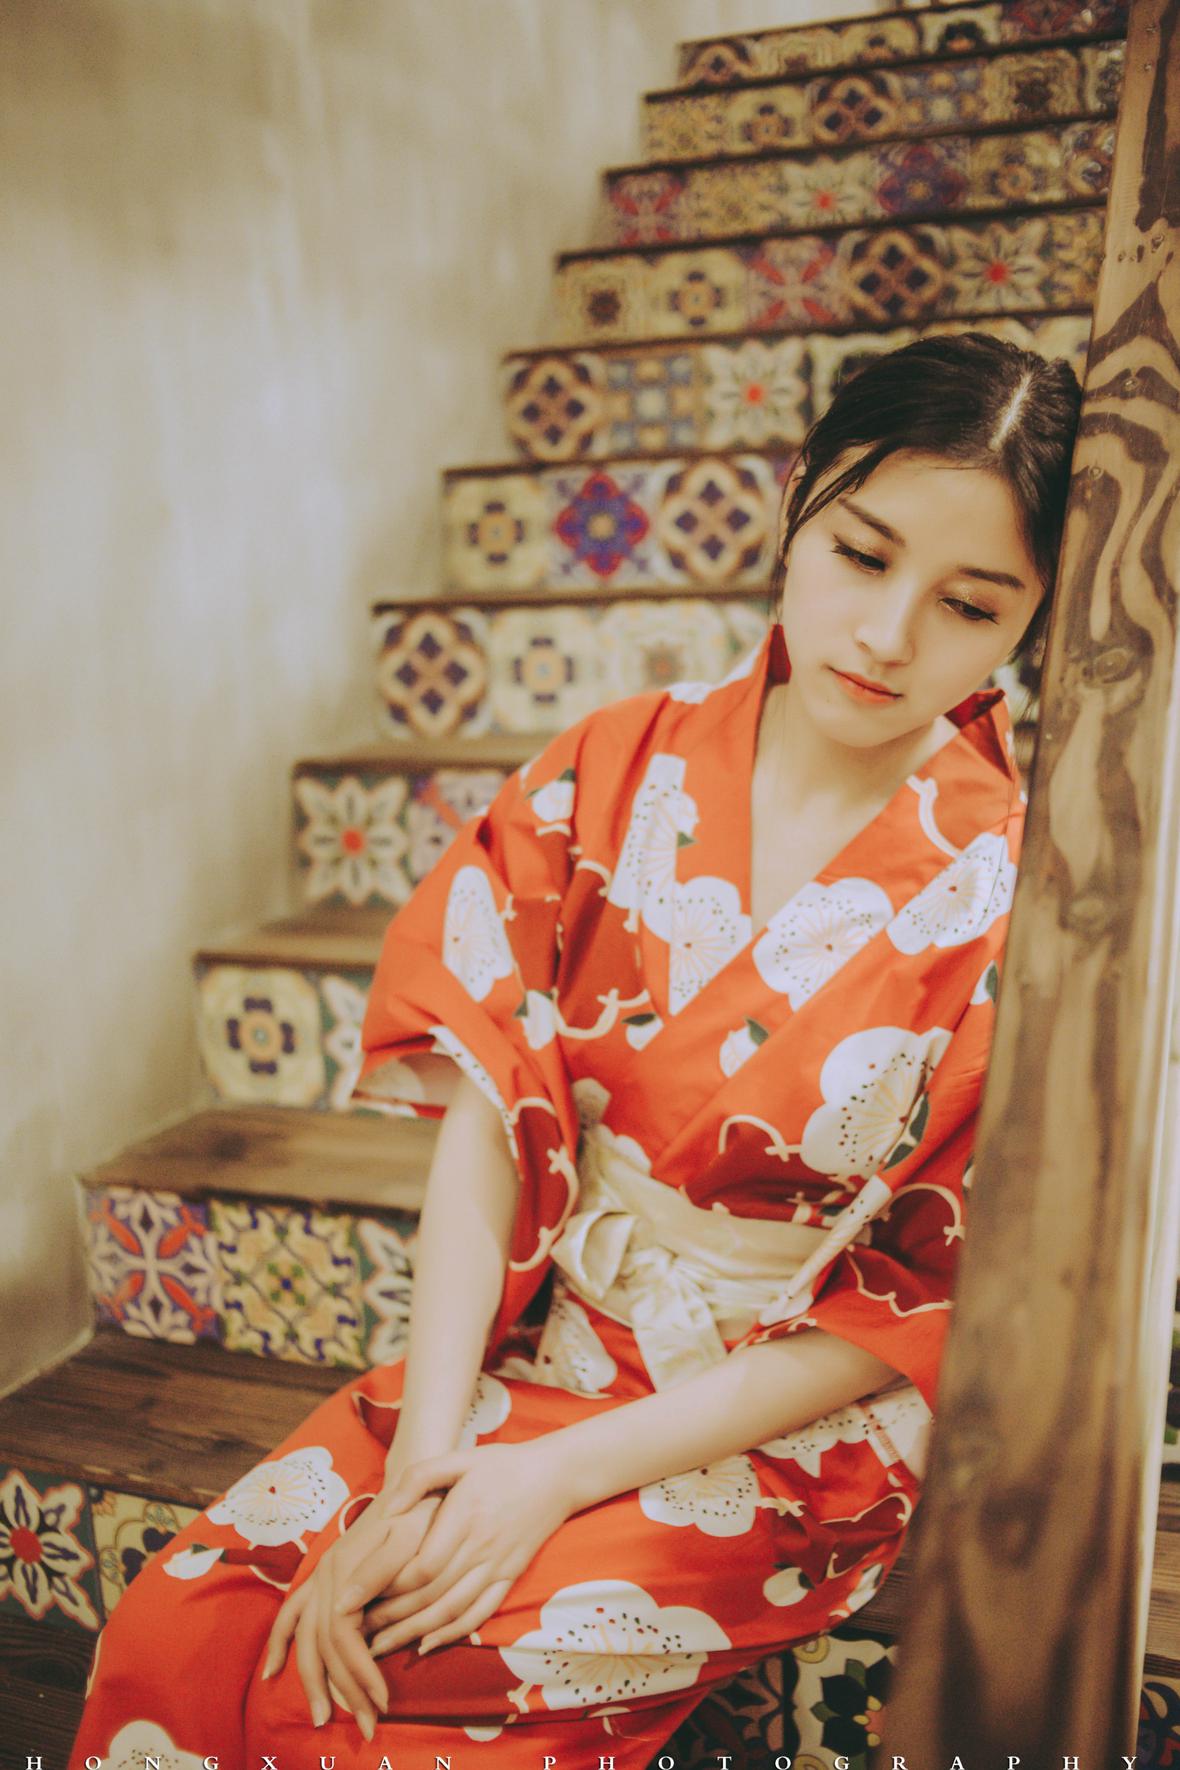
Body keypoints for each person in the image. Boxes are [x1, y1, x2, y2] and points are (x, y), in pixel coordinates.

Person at [68, 330, 1082, 1770]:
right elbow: (492, 1121)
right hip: (547, 1346)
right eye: (861, 553)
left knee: (364, 1689)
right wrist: (430, 1459)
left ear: (1032, 621)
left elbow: (919, 1298)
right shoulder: (612, 766)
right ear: (796, 499)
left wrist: (546, 1479)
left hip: (772, 1430)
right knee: (188, 1622)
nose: (886, 634)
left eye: (970, 605)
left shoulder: (1014, 890)